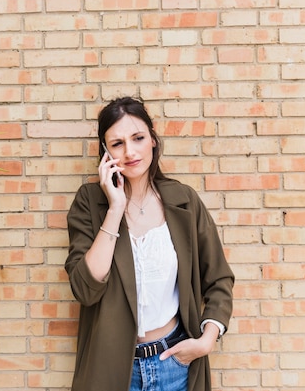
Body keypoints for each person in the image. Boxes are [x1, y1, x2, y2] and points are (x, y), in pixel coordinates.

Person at [65, 96, 235, 391]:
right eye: (117, 143)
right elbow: (85, 289)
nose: (130, 151)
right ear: (106, 153)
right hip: (113, 370)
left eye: (138, 138)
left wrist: (206, 341)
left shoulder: (184, 201)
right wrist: (115, 209)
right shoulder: (90, 203)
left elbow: (219, 279)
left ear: (153, 140)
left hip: (175, 366)